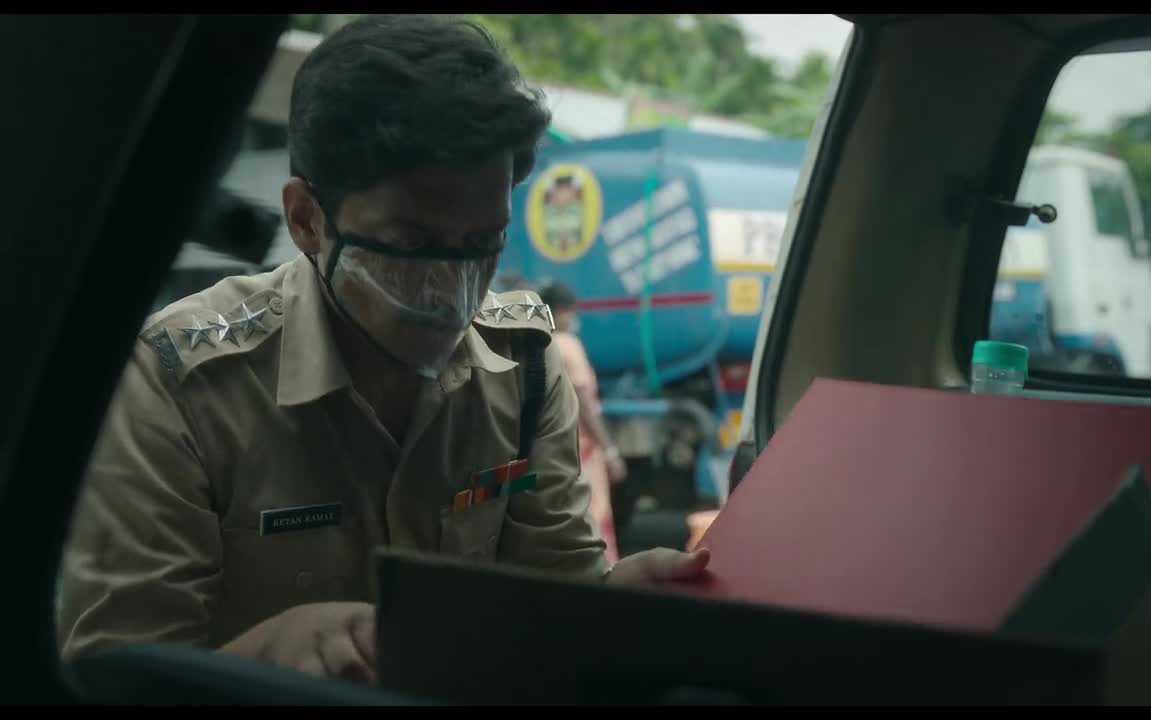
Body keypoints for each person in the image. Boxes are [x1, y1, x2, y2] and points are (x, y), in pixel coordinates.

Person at [58, 14, 709, 685]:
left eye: (481, 244)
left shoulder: (526, 369)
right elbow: (110, 675)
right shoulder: (179, 383)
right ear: (306, 220)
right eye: (410, 244)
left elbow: (553, 603)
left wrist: (616, 606)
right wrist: (276, 650)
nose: (449, 290)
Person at [538, 279, 627, 564]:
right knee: (594, 518)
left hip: (550, 449)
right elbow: (585, 405)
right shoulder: (567, 345)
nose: (573, 317)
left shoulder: (536, 343)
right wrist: (610, 451)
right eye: (569, 311)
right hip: (582, 451)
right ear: (558, 311)